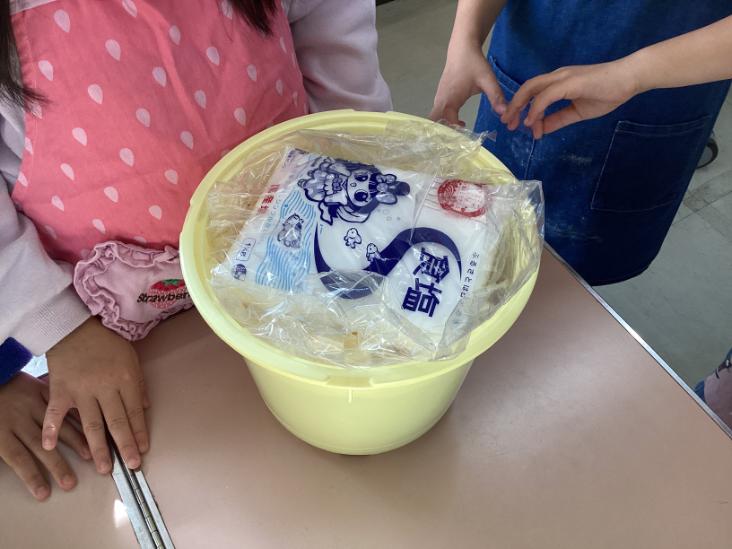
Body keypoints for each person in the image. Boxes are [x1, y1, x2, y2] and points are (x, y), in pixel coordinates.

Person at [0, 0, 390, 501]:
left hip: (295, 276)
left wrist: (362, 158)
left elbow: (334, 36)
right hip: (98, 333)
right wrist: (58, 326)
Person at [431, 0, 732, 286]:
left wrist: (633, 74)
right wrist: (465, 37)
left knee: (566, 283)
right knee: (483, 239)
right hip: (526, 60)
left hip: (656, 86)